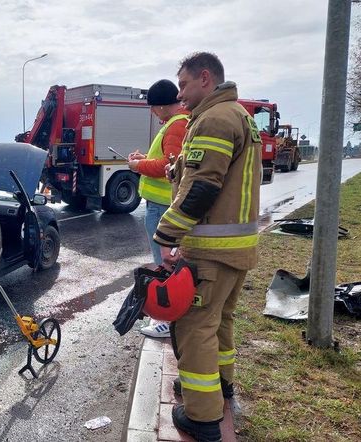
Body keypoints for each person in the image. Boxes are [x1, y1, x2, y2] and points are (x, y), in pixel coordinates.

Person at [153, 52, 261, 442]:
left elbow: (204, 187)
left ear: (204, 78)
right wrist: (178, 169)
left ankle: (201, 415)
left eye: (182, 85)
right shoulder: (239, 115)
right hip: (237, 249)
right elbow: (214, 175)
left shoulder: (214, 118)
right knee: (221, 321)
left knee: (195, 326)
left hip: (212, 250)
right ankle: (220, 385)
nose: (180, 94)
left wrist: (166, 235)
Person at [128, 79, 188, 339]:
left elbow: (169, 167)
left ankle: (165, 319)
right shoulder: (178, 123)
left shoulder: (176, 126)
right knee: (168, 261)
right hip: (164, 204)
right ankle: (170, 315)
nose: (153, 112)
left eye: (153, 107)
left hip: (161, 206)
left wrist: (138, 166)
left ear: (162, 106)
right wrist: (145, 160)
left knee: (162, 263)